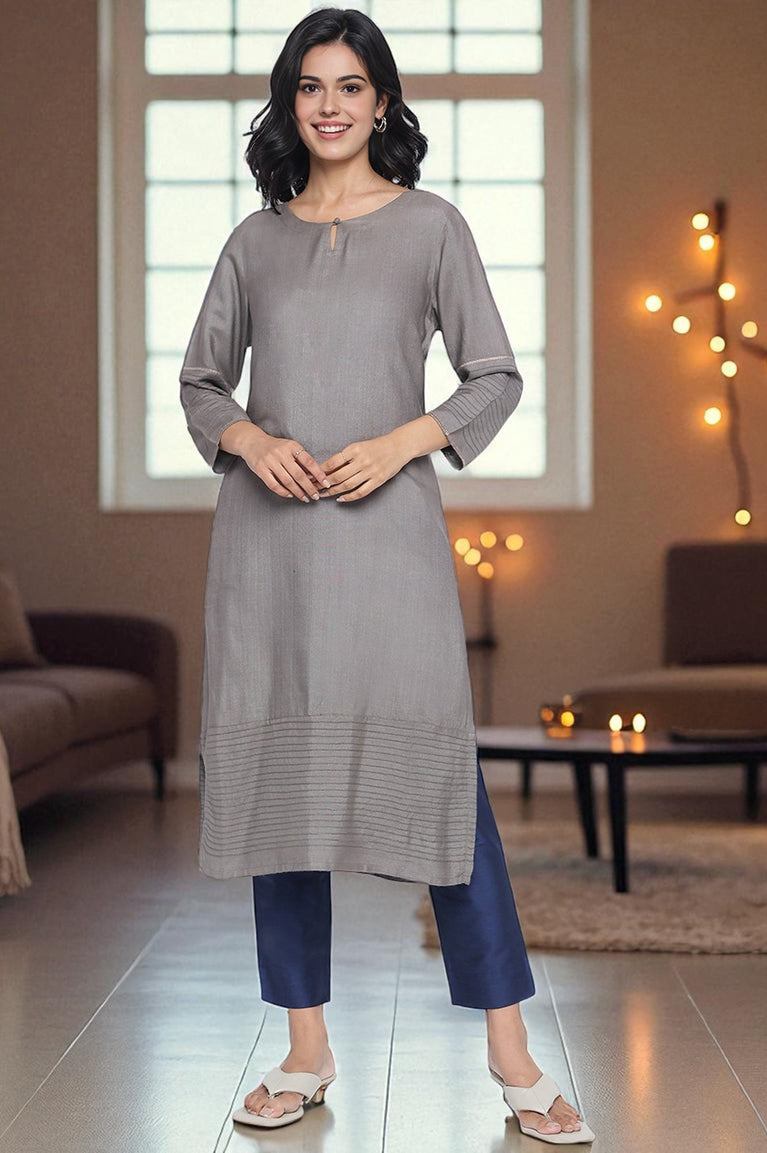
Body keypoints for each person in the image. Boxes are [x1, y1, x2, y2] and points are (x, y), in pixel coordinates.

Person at [179, 6, 594, 1145]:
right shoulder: (254, 241)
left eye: (350, 86)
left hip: (390, 543)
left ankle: (513, 1055)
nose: (329, 106)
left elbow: (492, 374)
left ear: (381, 103)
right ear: (288, 102)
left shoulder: (430, 228)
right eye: (309, 86)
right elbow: (201, 383)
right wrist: (248, 440)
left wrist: (404, 440)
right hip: (268, 554)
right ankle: (305, 1049)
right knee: (283, 803)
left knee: (443, 794)